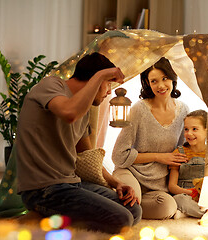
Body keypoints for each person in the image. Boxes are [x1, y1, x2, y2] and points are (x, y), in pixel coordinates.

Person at [16, 52, 142, 234]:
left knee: (133, 210)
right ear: (94, 79)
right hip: (43, 190)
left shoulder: (84, 109)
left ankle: (51, 220)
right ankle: (38, 221)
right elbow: (69, 113)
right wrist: (101, 75)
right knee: (121, 220)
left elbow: (87, 157)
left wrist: (117, 183)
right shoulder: (51, 85)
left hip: (71, 184)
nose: (109, 92)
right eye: (108, 84)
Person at [112, 57, 189, 219]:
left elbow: (182, 150)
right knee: (133, 198)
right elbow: (119, 156)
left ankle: (122, 203)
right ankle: (122, 201)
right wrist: (159, 157)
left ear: (173, 78)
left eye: (165, 78)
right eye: (154, 81)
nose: (161, 85)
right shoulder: (138, 110)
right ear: (147, 83)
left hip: (158, 186)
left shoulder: (184, 110)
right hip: (130, 173)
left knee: (168, 207)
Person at [168, 110, 207, 219]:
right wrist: (190, 192)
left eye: (194, 129)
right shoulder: (179, 152)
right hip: (185, 194)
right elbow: (172, 186)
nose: (189, 133)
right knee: (178, 199)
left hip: (204, 194)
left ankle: (187, 213)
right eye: (186, 129)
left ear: (207, 131)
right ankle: (206, 214)